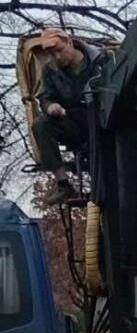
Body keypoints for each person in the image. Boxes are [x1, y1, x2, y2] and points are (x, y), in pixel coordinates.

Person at [32, 29, 104, 206]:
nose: (57, 57)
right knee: (41, 124)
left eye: (59, 50)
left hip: (105, 118)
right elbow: (45, 97)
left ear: (70, 43)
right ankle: (63, 184)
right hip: (74, 123)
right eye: (51, 54)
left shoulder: (101, 60)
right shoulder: (51, 71)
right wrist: (50, 106)